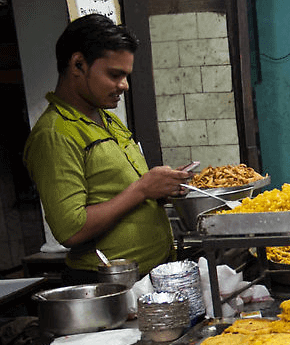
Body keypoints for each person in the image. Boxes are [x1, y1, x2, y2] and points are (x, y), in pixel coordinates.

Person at [23, 14, 190, 284]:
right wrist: (142, 189)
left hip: (149, 276)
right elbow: (71, 230)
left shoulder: (106, 118)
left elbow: (115, 192)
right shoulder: (55, 134)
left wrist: (161, 189)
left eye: (126, 75)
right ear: (78, 64)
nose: (124, 85)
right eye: (115, 74)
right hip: (108, 285)